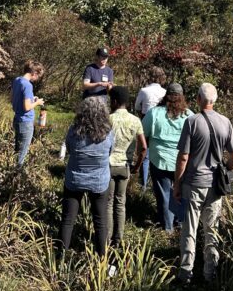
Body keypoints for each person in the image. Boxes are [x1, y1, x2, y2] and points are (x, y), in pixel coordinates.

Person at [173, 83, 233, 284]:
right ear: (215, 100)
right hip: (215, 185)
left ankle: (186, 274)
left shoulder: (191, 122)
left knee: (189, 229)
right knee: (212, 230)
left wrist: (177, 183)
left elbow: (183, 157)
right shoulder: (225, 122)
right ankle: (211, 274)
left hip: (193, 183)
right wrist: (224, 168)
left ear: (199, 100)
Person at [59, 96, 115, 256]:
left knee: (68, 219)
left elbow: (68, 150)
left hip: (74, 180)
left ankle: (60, 256)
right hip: (99, 181)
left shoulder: (73, 131)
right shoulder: (108, 133)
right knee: (100, 220)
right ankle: (101, 257)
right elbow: (110, 152)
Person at [142, 82, 192, 232]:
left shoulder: (154, 113)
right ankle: (180, 223)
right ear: (182, 97)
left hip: (160, 160)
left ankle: (167, 228)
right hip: (182, 162)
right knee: (181, 193)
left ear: (166, 96)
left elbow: (143, 134)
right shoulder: (189, 115)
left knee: (164, 195)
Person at [106, 86, 147, 246]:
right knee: (120, 203)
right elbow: (143, 148)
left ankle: (107, 239)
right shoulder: (135, 120)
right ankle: (119, 239)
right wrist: (136, 166)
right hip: (125, 166)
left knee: (109, 203)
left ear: (114, 101)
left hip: (108, 166)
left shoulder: (108, 119)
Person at [134, 67, 167, 190]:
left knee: (145, 152)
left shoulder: (144, 91)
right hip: (161, 125)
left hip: (145, 122)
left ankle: (143, 184)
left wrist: (142, 117)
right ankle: (156, 184)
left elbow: (137, 106)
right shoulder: (164, 92)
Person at [11, 60, 45, 167]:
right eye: (38, 76)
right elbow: (27, 107)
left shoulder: (17, 80)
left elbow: (13, 98)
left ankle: (10, 171)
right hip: (25, 122)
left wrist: (32, 99)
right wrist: (38, 102)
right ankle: (17, 175)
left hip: (17, 119)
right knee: (23, 151)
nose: (37, 79)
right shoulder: (28, 85)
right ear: (34, 73)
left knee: (17, 149)